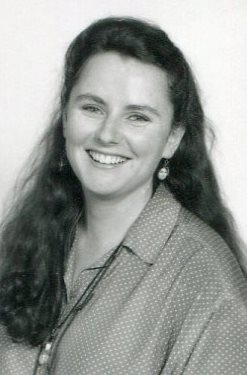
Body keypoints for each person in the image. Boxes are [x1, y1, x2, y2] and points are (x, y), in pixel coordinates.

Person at [0, 16, 246, 375]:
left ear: (173, 139)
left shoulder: (209, 287)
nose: (108, 134)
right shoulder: (28, 241)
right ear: (66, 118)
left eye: (138, 117)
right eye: (92, 108)